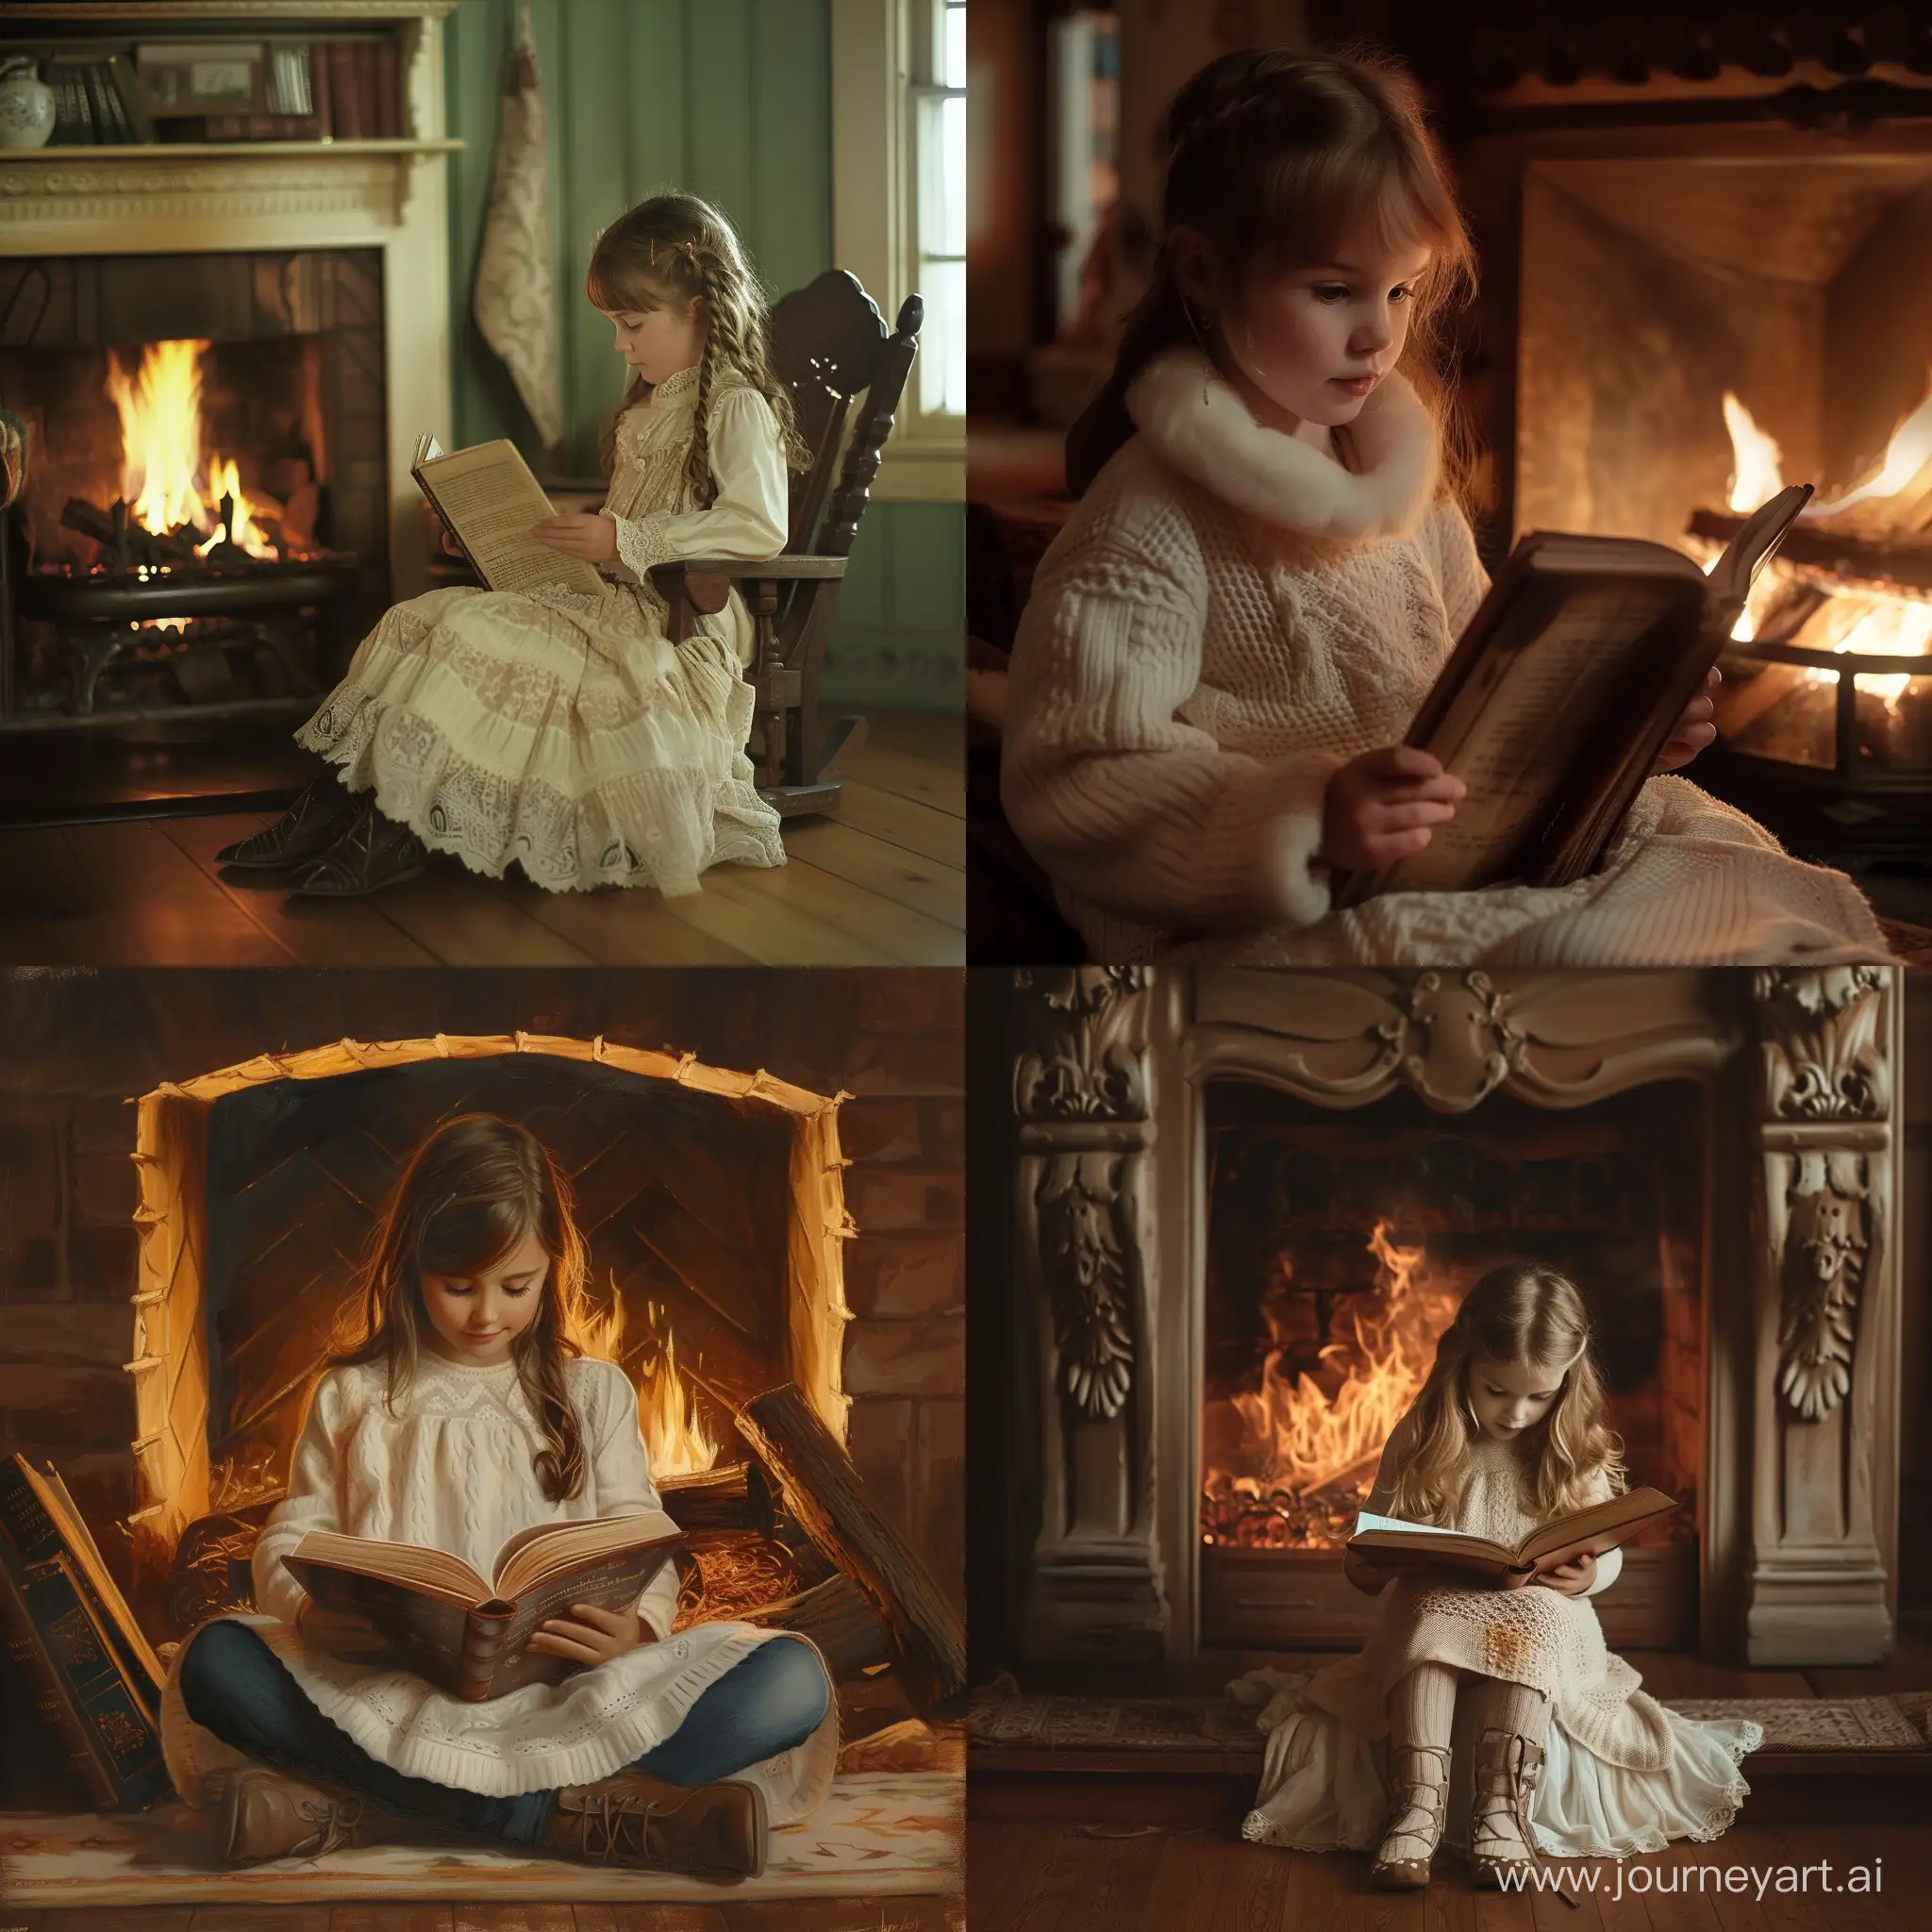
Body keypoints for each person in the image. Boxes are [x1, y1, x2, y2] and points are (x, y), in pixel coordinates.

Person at [999, 49, 1890, 966]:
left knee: (1724, 862)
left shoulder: (1402, 488)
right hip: (1261, 901)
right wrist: (1308, 818)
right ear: (1201, 272)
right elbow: (1078, 777)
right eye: (1333, 290)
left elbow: (1488, 695)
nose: (1379, 332)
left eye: (1399, 289)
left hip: (1455, 850)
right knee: (1579, 956)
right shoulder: (1148, 519)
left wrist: (1620, 731)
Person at [161, 1115, 835, 1878]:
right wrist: (315, 1614)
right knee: (216, 1661)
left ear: (553, 1267)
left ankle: (366, 1810)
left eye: (517, 1287)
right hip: (385, 1691)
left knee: (792, 1682)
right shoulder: (355, 1396)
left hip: (569, 1692)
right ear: (413, 1267)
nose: (487, 1314)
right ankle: (574, 1818)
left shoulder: (595, 1392)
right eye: (459, 1287)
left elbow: (642, 1536)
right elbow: (289, 1542)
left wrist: (636, 1631)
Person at [219, 191, 802, 899]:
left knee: (476, 630)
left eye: (632, 324)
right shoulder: (651, 403)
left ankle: (391, 835)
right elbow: (626, 517)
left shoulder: (735, 402)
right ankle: (331, 810)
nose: (620, 343)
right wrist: (541, 522)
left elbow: (758, 525)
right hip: (610, 598)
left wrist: (627, 536)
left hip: (676, 624)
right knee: (423, 615)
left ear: (699, 313)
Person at [1232, 1263, 1759, 1888]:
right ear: (1462, 1363)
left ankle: (1500, 1813)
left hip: (1540, 1611)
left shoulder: (1574, 1444)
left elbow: (1604, 1546)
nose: (1517, 1412)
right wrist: (1372, 1562)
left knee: (1535, 1619)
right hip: (1439, 1605)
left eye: (1540, 1396)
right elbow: (1370, 1542)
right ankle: (1416, 1811)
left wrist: (1590, 1573)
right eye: (1497, 1390)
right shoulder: (1424, 1435)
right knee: (1428, 1608)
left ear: (1567, 1382)